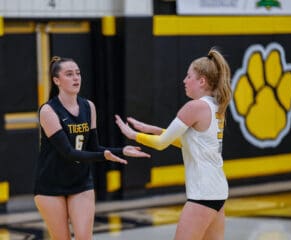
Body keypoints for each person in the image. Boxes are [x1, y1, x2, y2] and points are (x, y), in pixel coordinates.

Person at [115, 47, 231, 240]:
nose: (184, 81)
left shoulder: (194, 107)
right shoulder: (216, 106)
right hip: (218, 191)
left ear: (201, 81)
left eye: (189, 76)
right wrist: (149, 129)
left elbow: (162, 143)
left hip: (203, 194)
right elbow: (189, 142)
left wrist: (133, 135)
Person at [34, 56, 150, 240]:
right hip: (50, 186)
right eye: (69, 74)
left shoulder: (89, 107)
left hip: (81, 183)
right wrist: (105, 156)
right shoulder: (48, 111)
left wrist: (121, 150)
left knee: (84, 237)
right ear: (56, 80)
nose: (76, 78)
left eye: (78, 74)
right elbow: (69, 153)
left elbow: (94, 147)